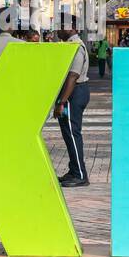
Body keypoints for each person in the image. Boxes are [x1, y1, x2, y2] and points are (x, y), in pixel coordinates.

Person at [55, 27, 92, 187]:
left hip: (74, 93)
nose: (57, 31)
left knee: (72, 133)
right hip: (73, 93)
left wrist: (62, 102)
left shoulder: (76, 47)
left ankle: (80, 175)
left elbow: (73, 76)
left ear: (71, 28)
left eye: (60, 27)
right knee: (69, 133)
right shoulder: (71, 45)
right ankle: (74, 170)